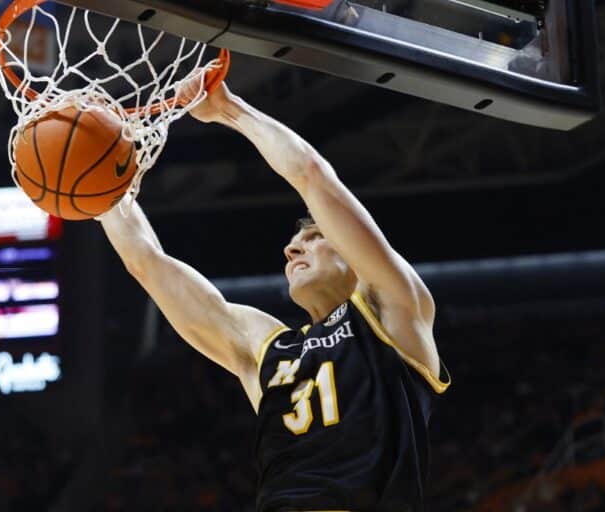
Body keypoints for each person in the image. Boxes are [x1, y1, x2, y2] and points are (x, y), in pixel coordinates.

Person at [99, 78, 451, 512]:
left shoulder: (394, 308)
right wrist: (104, 189)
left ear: (353, 252)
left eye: (314, 235)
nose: (291, 248)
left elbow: (311, 175)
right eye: (293, 241)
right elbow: (147, 264)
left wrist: (230, 110)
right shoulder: (268, 348)